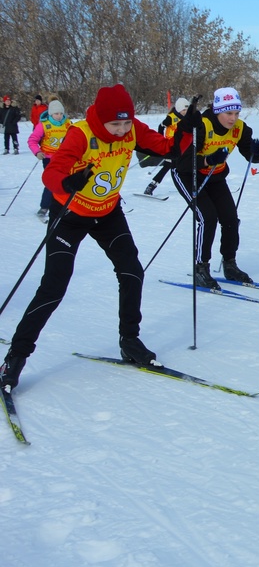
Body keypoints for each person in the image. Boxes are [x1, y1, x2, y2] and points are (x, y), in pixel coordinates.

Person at [0, 85, 175, 394]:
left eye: (126, 123)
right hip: (69, 216)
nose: (122, 130)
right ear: (101, 121)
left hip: (108, 213)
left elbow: (164, 147)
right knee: (53, 287)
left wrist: (186, 132)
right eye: (115, 124)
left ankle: (130, 341)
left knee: (132, 272)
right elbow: (51, 174)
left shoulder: (131, 128)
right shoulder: (81, 134)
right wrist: (68, 181)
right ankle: (15, 356)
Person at [170, 87, 259, 291]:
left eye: (236, 113)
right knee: (207, 218)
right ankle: (201, 267)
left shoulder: (240, 128)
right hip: (188, 175)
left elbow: (252, 156)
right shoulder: (202, 125)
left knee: (230, 219)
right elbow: (182, 162)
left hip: (215, 176)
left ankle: (229, 264)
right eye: (228, 113)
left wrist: (257, 152)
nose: (233, 118)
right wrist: (208, 159)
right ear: (216, 111)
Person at [27, 98, 72, 220]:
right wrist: (37, 152)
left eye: (61, 113)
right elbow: (32, 140)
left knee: (66, 181)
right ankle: (44, 207)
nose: (59, 116)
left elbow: (74, 139)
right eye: (56, 113)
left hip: (64, 158)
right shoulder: (44, 125)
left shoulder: (68, 123)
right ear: (51, 113)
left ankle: (64, 205)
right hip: (49, 158)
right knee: (51, 182)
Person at [142, 97, 190, 195]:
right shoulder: (171, 117)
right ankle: (151, 187)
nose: (185, 112)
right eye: (184, 110)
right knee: (167, 166)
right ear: (178, 109)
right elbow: (161, 126)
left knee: (187, 165)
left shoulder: (186, 119)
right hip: (170, 146)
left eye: (187, 110)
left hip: (182, 146)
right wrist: (160, 139)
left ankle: (193, 187)